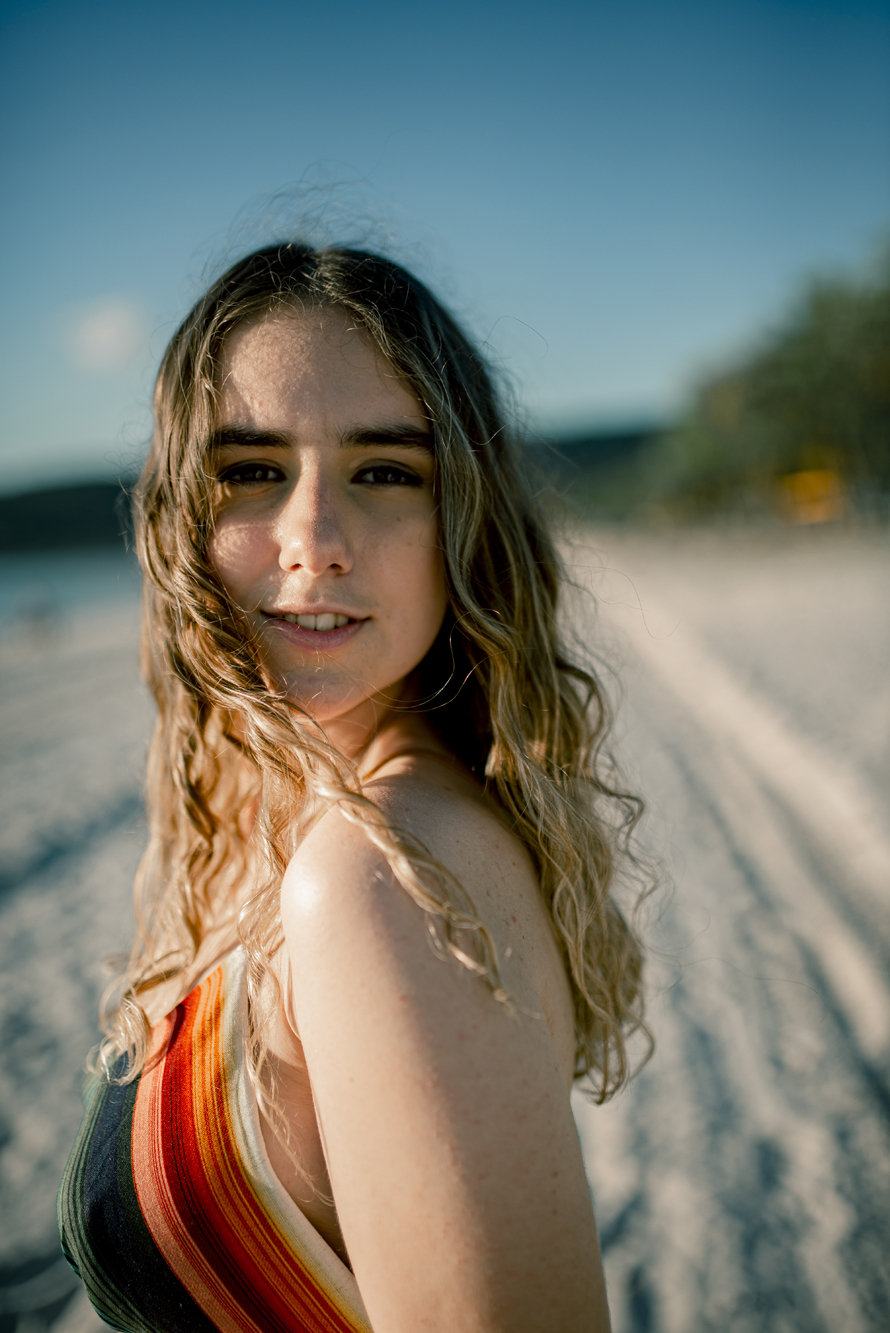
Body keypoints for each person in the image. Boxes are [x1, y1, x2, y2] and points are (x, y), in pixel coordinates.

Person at [59, 242, 647, 1333]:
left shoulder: (379, 872)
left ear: (462, 523)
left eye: (384, 471)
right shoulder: (298, 821)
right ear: (184, 520)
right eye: (250, 471)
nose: (313, 541)